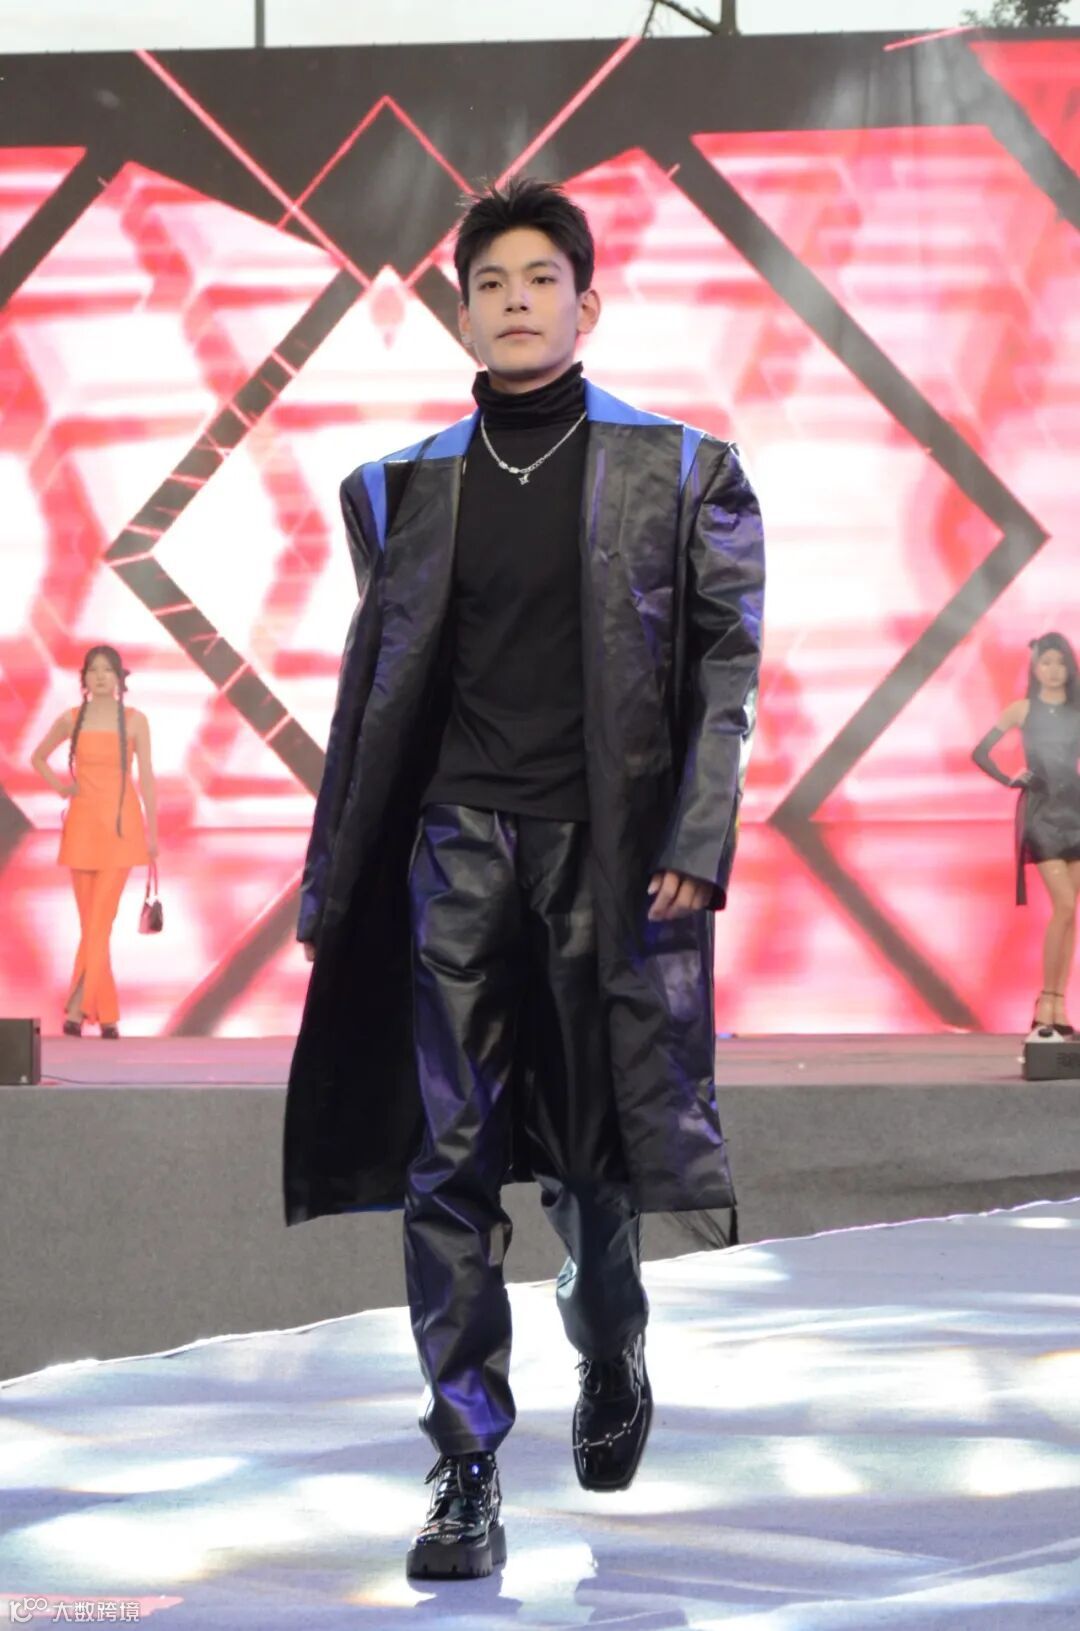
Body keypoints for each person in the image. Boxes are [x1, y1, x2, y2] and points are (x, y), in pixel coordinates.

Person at [283, 178, 765, 1580]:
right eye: (490, 282)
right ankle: (465, 1458)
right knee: (450, 1159)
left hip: (604, 855)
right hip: (455, 848)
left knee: (595, 1159)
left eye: (539, 279)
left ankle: (610, 1340)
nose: (514, 301)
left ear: (585, 304)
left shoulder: (683, 472)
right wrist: (335, 878)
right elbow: (373, 698)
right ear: (461, 313)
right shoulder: (402, 488)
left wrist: (698, 835)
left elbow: (725, 677)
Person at [30, 645, 158, 1038]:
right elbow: (38, 757)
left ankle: (78, 1008)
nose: (100, 677)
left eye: (107, 670)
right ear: (84, 678)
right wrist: (61, 788)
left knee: (101, 921)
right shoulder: (71, 719)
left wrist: (153, 832)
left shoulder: (136, 721)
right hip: (82, 829)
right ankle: (107, 1016)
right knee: (91, 926)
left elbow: (147, 778)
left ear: (120, 678)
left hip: (122, 830)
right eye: (93, 670)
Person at [971, 632, 1080, 1040]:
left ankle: (1058, 1007)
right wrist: (1008, 778)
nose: (1053, 669)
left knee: (1070, 914)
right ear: (1035, 667)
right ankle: (1045, 1000)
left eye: (1060, 662)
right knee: (1064, 905)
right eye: (1046, 662)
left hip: (1076, 812)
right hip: (1041, 814)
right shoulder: (1022, 709)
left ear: (1069, 667)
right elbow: (980, 752)